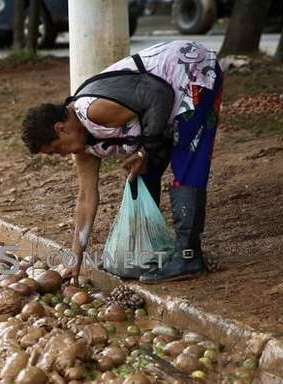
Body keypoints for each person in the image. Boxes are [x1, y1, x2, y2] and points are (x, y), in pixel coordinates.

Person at [21, 40, 223, 285]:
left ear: (61, 128)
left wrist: (145, 151)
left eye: (55, 150)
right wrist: (76, 256)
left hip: (189, 71)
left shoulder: (93, 111)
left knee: (187, 161)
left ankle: (188, 257)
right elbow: (86, 198)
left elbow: (159, 95)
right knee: (143, 172)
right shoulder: (85, 149)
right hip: (165, 103)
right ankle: (150, 249)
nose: (61, 156)